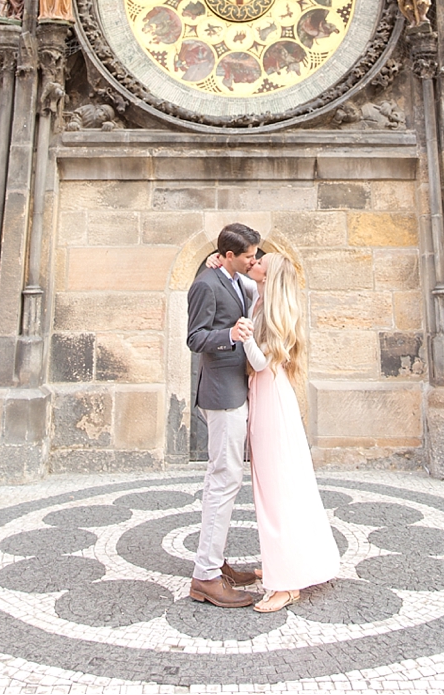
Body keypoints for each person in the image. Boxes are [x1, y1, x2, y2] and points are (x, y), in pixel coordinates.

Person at [236, 251, 341, 611]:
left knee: (277, 489)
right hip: (265, 396)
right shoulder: (260, 296)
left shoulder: (270, 309)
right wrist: (217, 263)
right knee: (271, 487)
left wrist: (244, 336)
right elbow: (238, 276)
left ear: (270, 273)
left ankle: (286, 584)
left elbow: (262, 361)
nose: (256, 261)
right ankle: (284, 564)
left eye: (262, 260)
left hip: (271, 397)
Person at [184, 222, 265, 608]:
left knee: (228, 477)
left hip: (236, 387)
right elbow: (195, 337)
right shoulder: (205, 284)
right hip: (220, 393)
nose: (255, 260)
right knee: (223, 478)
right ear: (230, 255)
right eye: (249, 255)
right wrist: (229, 336)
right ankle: (206, 577)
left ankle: (215, 563)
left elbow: (258, 289)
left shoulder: (234, 278)